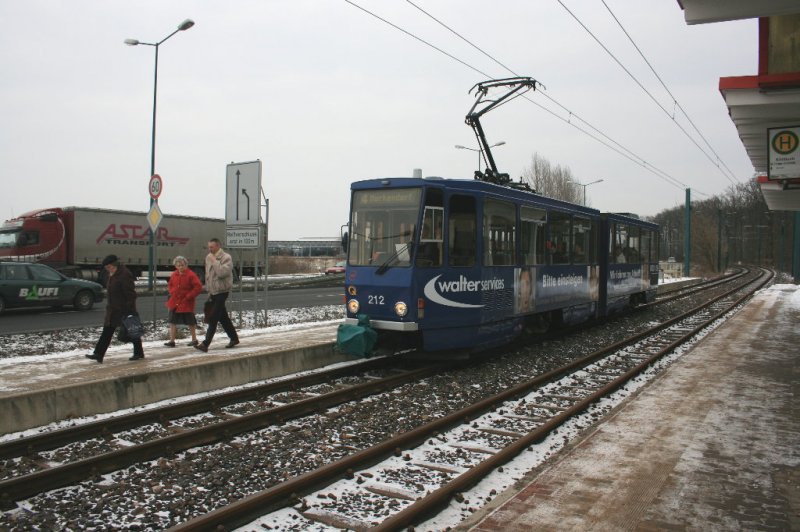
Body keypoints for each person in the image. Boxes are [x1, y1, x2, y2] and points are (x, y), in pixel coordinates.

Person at [86, 254, 144, 363]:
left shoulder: (125, 274)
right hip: (112, 309)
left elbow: (131, 294)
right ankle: (98, 354)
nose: (108, 269)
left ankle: (138, 352)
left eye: (109, 267)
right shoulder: (111, 274)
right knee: (107, 331)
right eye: (106, 268)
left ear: (114, 264)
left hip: (124, 309)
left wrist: (129, 310)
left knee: (133, 330)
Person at [194, 238, 239, 352]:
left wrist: (214, 260)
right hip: (213, 292)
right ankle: (234, 338)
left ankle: (205, 344)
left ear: (218, 246)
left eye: (212, 247)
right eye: (208, 247)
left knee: (213, 317)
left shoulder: (226, 257)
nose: (210, 249)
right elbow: (209, 275)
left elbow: (222, 273)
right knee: (223, 318)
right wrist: (208, 289)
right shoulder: (208, 257)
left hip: (222, 291)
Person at [164, 255, 203, 347]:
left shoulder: (191, 274)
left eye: (182, 265)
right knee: (172, 321)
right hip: (174, 301)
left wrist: (189, 296)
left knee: (190, 321)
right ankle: (172, 340)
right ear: (176, 266)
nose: (180, 267)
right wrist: (172, 291)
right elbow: (170, 284)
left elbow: (198, 287)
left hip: (186, 302)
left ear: (186, 265)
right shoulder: (174, 274)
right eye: (178, 265)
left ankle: (194, 339)